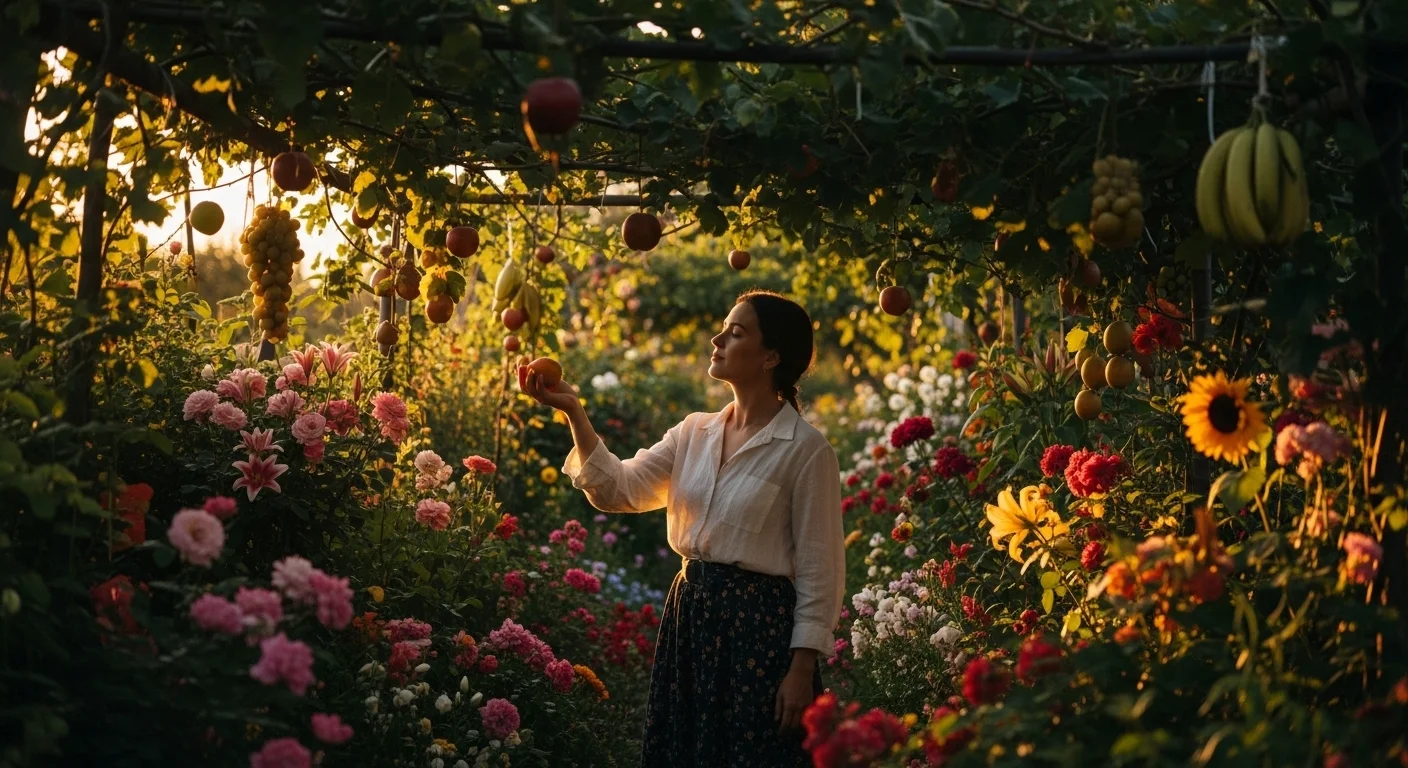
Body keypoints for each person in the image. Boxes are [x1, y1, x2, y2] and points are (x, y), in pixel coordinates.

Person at [520, 289, 846, 767]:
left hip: (758, 632)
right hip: (691, 617)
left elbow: (821, 569)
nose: (717, 339)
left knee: (748, 754)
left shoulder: (806, 450)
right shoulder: (693, 432)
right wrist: (574, 410)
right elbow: (620, 489)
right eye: (723, 328)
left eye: (736, 332)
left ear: (771, 356)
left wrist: (801, 669)